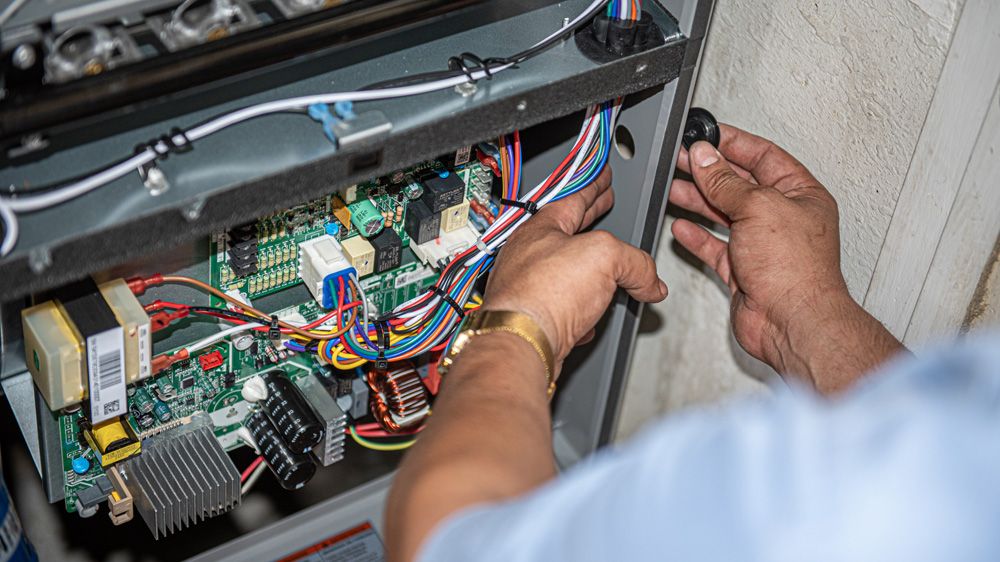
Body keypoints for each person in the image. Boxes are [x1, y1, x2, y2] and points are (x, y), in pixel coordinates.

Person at [384, 125, 1000, 561]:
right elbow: (916, 432)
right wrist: (803, 311)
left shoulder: (808, 513)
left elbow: (441, 539)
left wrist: (517, 325)